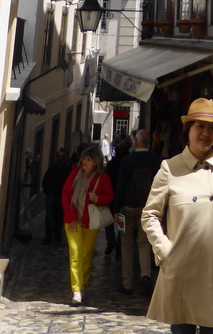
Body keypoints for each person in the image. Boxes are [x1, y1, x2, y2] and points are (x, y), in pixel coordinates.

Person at [142, 98, 213, 333]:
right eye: (200, 126)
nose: (206, 133)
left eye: (212, 128)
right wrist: (164, 249)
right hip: (182, 271)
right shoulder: (169, 168)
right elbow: (150, 214)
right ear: (188, 130)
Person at [61, 146, 114, 306]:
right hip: (72, 220)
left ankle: (83, 284)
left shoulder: (102, 178)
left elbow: (110, 196)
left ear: (96, 162)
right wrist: (71, 218)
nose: (85, 162)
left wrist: (97, 198)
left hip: (90, 222)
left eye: (88, 159)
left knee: (85, 255)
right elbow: (65, 194)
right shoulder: (74, 174)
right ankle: (76, 290)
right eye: (84, 158)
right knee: (75, 254)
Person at [115, 128, 160, 295]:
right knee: (144, 242)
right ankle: (145, 276)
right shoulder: (155, 160)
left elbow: (120, 186)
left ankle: (127, 284)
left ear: (136, 141)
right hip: (147, 207)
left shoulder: (127, 160)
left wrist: (116, 208)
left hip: (127, 207)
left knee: (126, 244)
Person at [104, 132, 131, 255]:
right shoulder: (131, 161)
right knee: (122, 222)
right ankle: (120, 247)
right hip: (124, 197)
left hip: (112, 195)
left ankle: (111, 241)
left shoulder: (111, 164)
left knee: (109, 221)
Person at [41, 147, 71, 244]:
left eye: (62, 156)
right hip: (52, 196)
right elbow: (45, 181)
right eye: (58, 156)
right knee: (48, 216)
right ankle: (48, 236)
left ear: (66, 157)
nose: (59, 158)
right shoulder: (52, 168)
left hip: (62, 197)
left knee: (59, 217)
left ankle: (58, 235)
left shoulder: (68, 169)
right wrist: (48, 192)